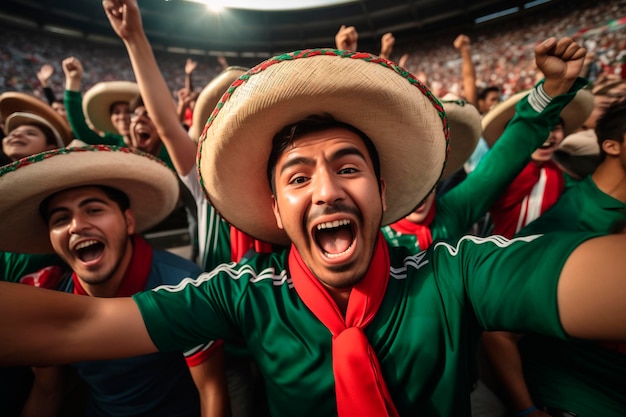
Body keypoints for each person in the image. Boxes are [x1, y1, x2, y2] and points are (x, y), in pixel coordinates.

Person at [1, 12, 626, 416]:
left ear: (384, 191)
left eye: (348, 167)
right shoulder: (243, 296)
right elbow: (71, 326)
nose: (326, 191)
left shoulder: (453, 271)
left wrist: (543, 100)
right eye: (298, 177)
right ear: (275, 208)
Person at [1, 143, 230, 417]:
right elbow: (47, 391)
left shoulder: (183, 285)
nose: (76, 225)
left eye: (94, 210)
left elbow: (212, 390)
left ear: (128, 221)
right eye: (61, 218)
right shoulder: (52, 296)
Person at [482, 99, 626, 417]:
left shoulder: (562, 179)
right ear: (612, 146)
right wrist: (527, 410)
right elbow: (496, 329)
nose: (549, 134)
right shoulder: (567, 220)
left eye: (557, 125)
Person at [482, 83, 594, 238]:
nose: (546, 136)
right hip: (503, 256)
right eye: (535, 129)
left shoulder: (555, 172)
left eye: (554, 127)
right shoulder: (500, 169)